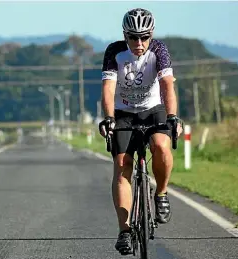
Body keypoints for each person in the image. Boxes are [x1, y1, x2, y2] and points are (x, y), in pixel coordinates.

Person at [98, 8, 183, 254]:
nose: (139, 43)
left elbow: (167, 84)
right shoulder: (114, 51)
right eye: (133, 37)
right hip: (124, 112)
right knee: (123, 165)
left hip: (152, 109)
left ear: (151, 34)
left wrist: (172, 116)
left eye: (144, 37)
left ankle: (162, 193)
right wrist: (108, 118)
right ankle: (124, 230)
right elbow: (108, 87)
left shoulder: (159, 50)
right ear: (125, 35)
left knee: (160, 146)